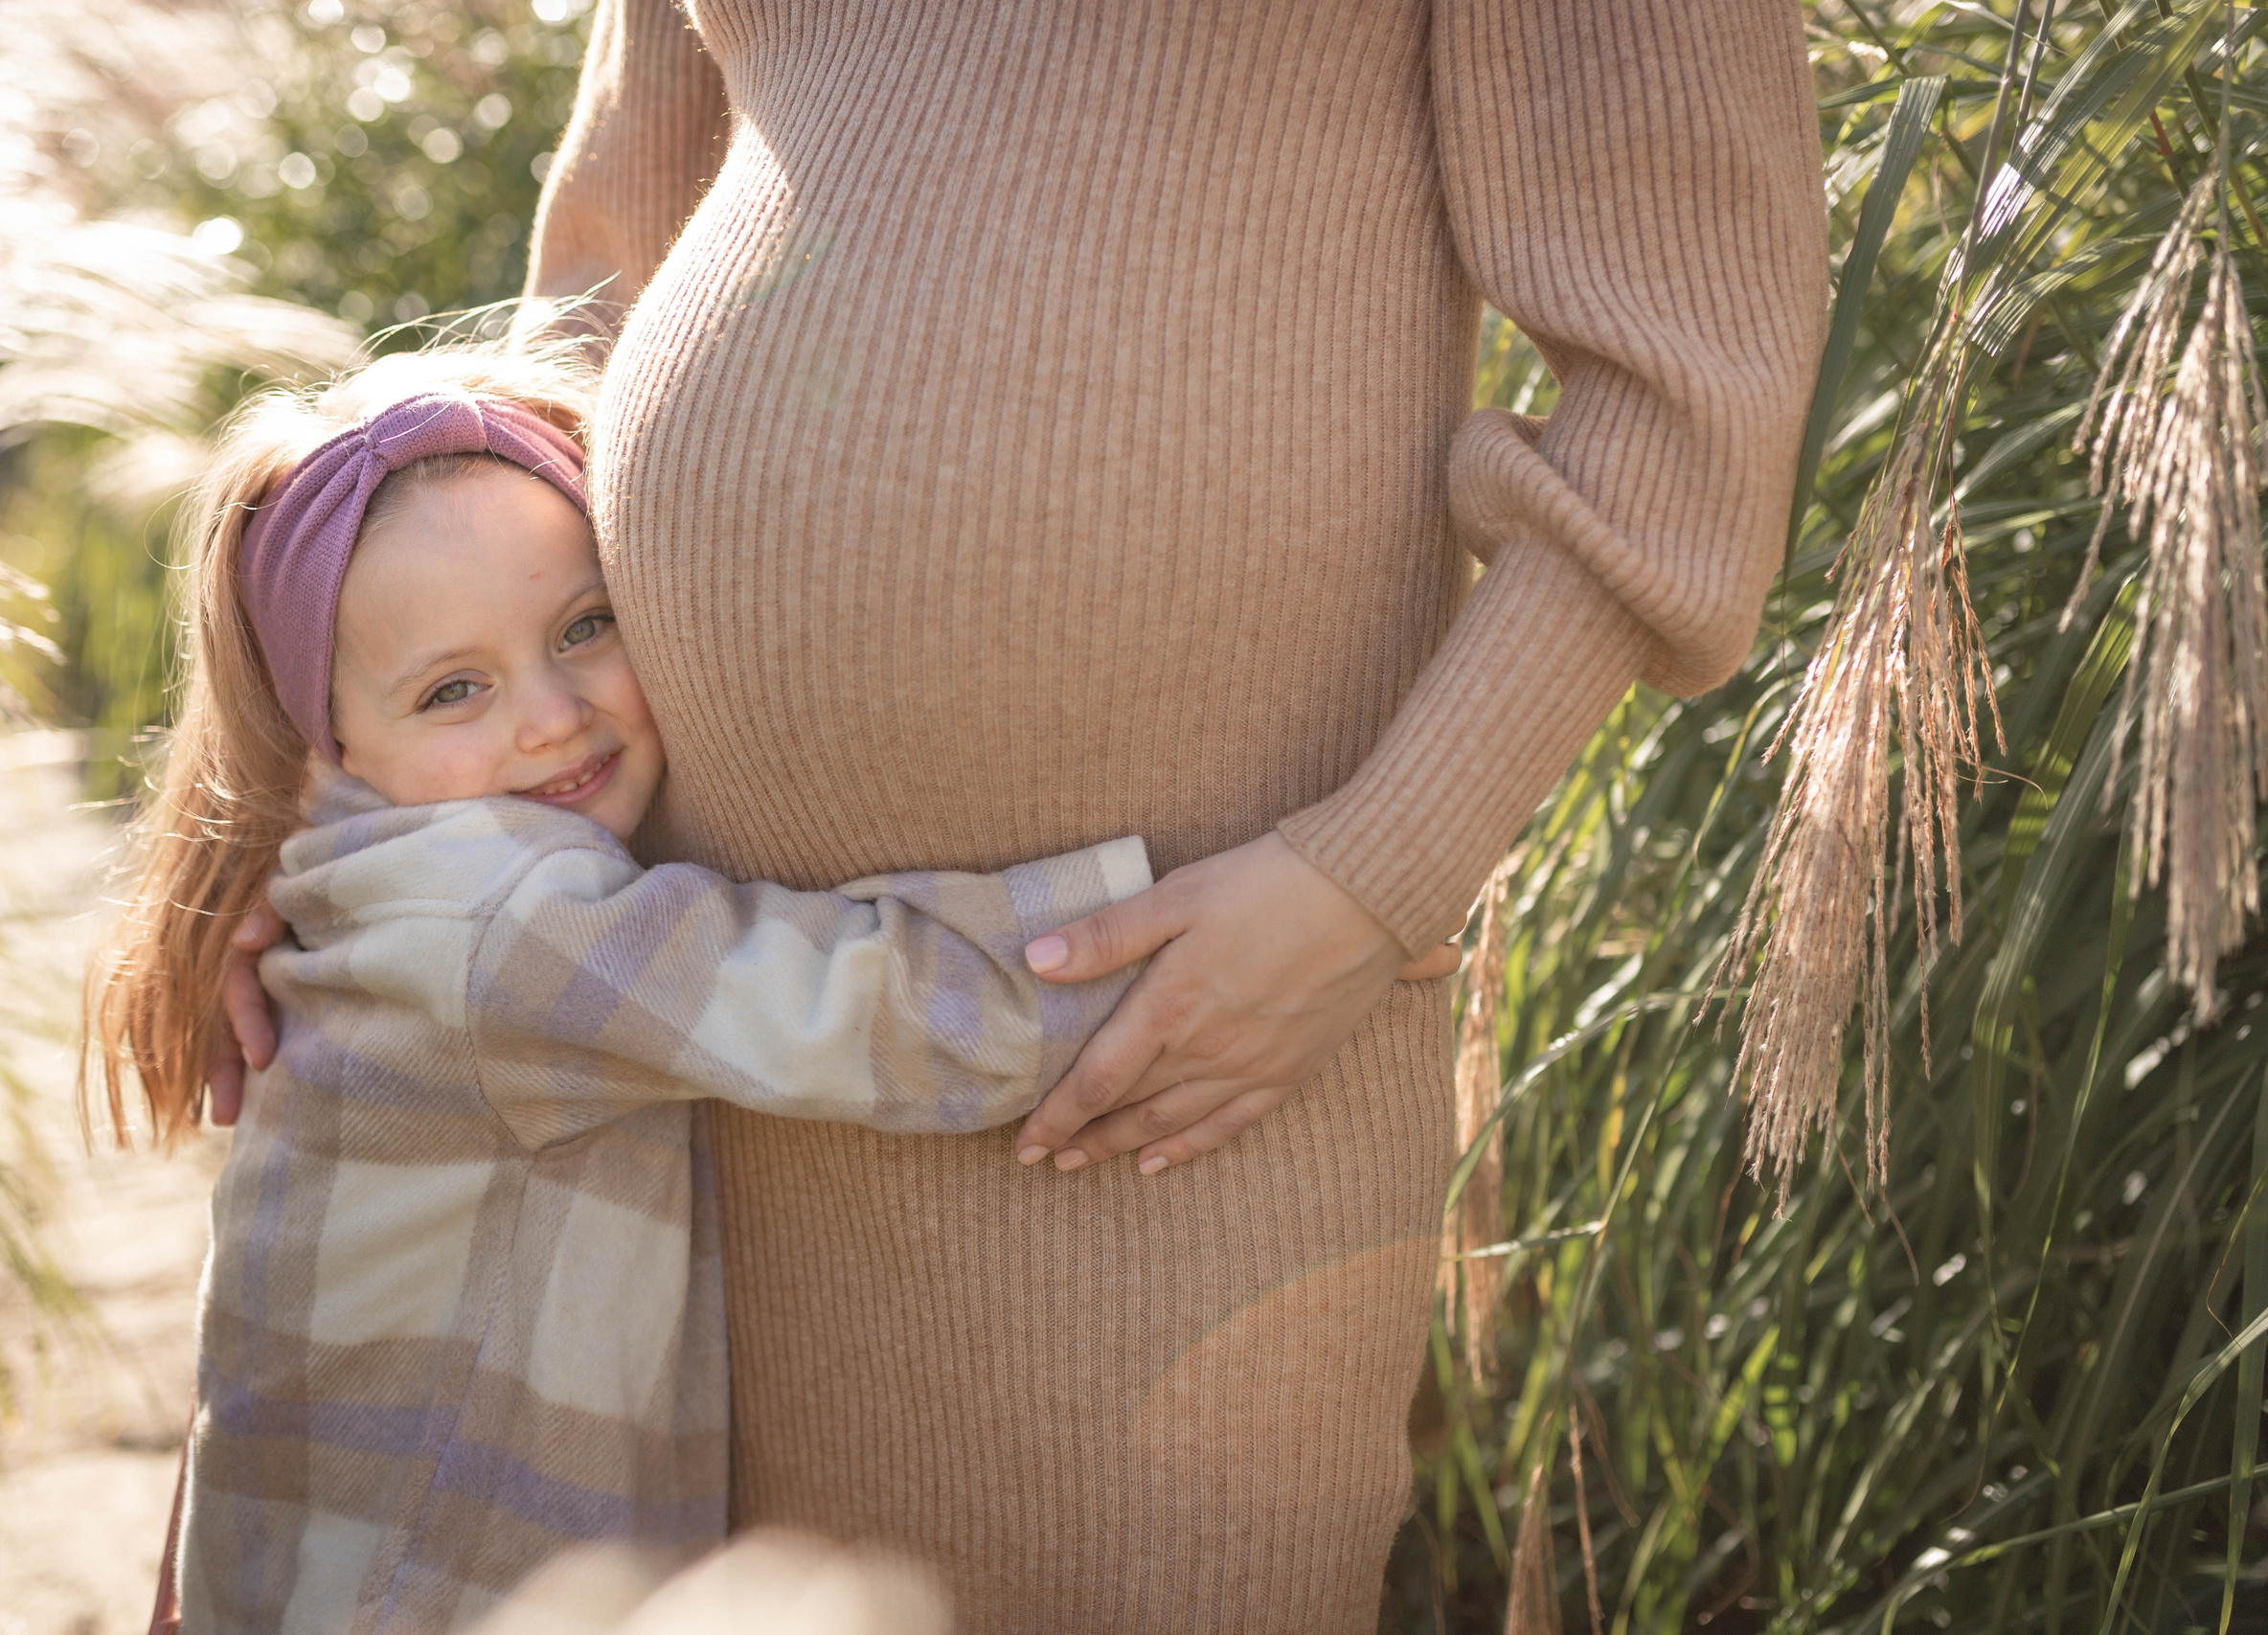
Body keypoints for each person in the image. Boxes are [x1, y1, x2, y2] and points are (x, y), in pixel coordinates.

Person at [225, 3, 1828, 1626]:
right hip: (730, 1077)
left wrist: (1369, 877)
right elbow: (602, 281)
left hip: (1186, 1053)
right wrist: (370, 841)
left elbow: (1683, 377)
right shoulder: (503, 926)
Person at [84, 341, 1191, 1632]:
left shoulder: (369, 873)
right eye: (455, 690)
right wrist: (1171, 936)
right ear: (335, 748)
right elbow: (847, 1008)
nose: (553, 713)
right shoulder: (501, 921)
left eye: (586, 626)